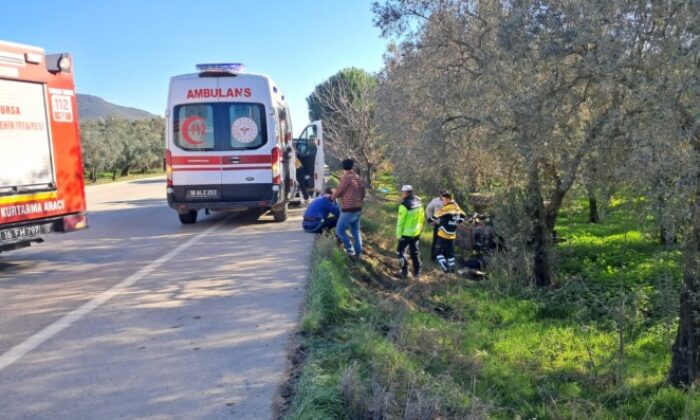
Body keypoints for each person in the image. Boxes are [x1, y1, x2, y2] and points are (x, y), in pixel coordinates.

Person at [331, 158, 366, 258]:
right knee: (356, 231)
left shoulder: (346, 178)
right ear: (352, 166)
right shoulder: (358, 178)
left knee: (339, 230)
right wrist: (357, 200)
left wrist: (332, 197)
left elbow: (339, 191)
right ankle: (359, 254)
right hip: (358, 209)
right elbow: (362, 193)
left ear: (343, 167)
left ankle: (350, 250)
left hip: (348, 210)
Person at [431, 192, 466, 273]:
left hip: (443, 234)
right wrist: (458, 222)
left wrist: (430, 220)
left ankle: (445, 267)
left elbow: (435, 216)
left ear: (448, 199)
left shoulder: (446, 208)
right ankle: (452, 268)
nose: (442, 201)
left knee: (437, 252)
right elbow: (463, 214)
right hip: (452, 235)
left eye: (443, 199)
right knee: (450, 253)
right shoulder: (456, 206)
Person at [396, 185, 425, 279]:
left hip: (406, 234)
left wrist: (399, 235)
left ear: (406, 193)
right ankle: (418, 274)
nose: (401, 194)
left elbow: (400, 222)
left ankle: (404, 271)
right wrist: (420, 230)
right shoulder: (419, 202)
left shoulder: (404, 205)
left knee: (400, 252)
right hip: (416, 232)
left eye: (402, 192)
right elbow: (422, 218)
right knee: (415, 253)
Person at [425, 191, 446, 261]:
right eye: (442, 195)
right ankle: (433, 257)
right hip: (437, 223)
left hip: (446, 224)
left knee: (445, 241)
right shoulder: (435, 201)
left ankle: (443, 257)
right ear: (440, 194)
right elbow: (428, 209)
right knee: (436, 240)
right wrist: (431, 220)